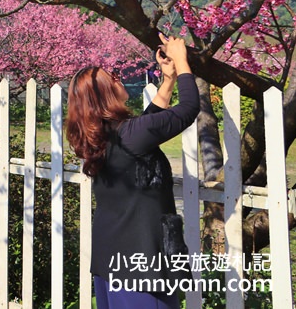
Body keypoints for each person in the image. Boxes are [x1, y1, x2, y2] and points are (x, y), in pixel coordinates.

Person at [65, 34, 200, 309]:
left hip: (111, 259)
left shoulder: (103, 136)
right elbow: (188, 110)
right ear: (102, 93)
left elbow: (147, 123)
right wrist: (183, 61)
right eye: (112, 76)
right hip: (141, 267)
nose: (118, 77)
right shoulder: (129, 134)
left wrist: (168, 79)